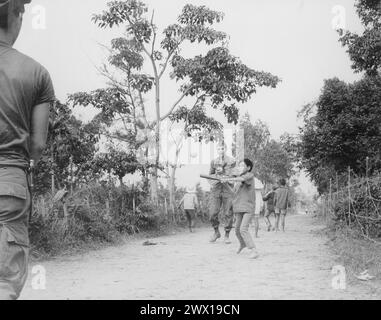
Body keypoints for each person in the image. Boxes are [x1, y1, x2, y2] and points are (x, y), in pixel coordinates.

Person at [0, 0, 55, 300]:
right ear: (14, 16)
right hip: (10, 183)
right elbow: (37, 145)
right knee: (4, 281)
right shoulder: (36, 72)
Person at [221, 159, 259, 259]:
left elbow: (241, 179)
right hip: (239, 208)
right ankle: (243, 244)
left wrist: (228, 179)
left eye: (242, 166)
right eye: (239, 166)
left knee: (243, 229)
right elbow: (233, 192)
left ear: (248, 168)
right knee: (237, 230)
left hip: (248, 208)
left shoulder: (249, 176)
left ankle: (253, 250)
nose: (240, 168)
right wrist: (224, 183)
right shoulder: (238, 180)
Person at [208, 142, 236, 244]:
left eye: (223, 148)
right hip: (216, 188)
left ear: (226, 149)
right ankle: (216, 232)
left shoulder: (232, 161)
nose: (221, 150)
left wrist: (227, 177)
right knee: (212, 213)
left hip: (227, 188)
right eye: (219, 148)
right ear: (217, 150)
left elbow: (235, 175)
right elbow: (210, 175)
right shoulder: (213, 162)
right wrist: (216, 176)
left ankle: (227, 235)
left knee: (228, 212)